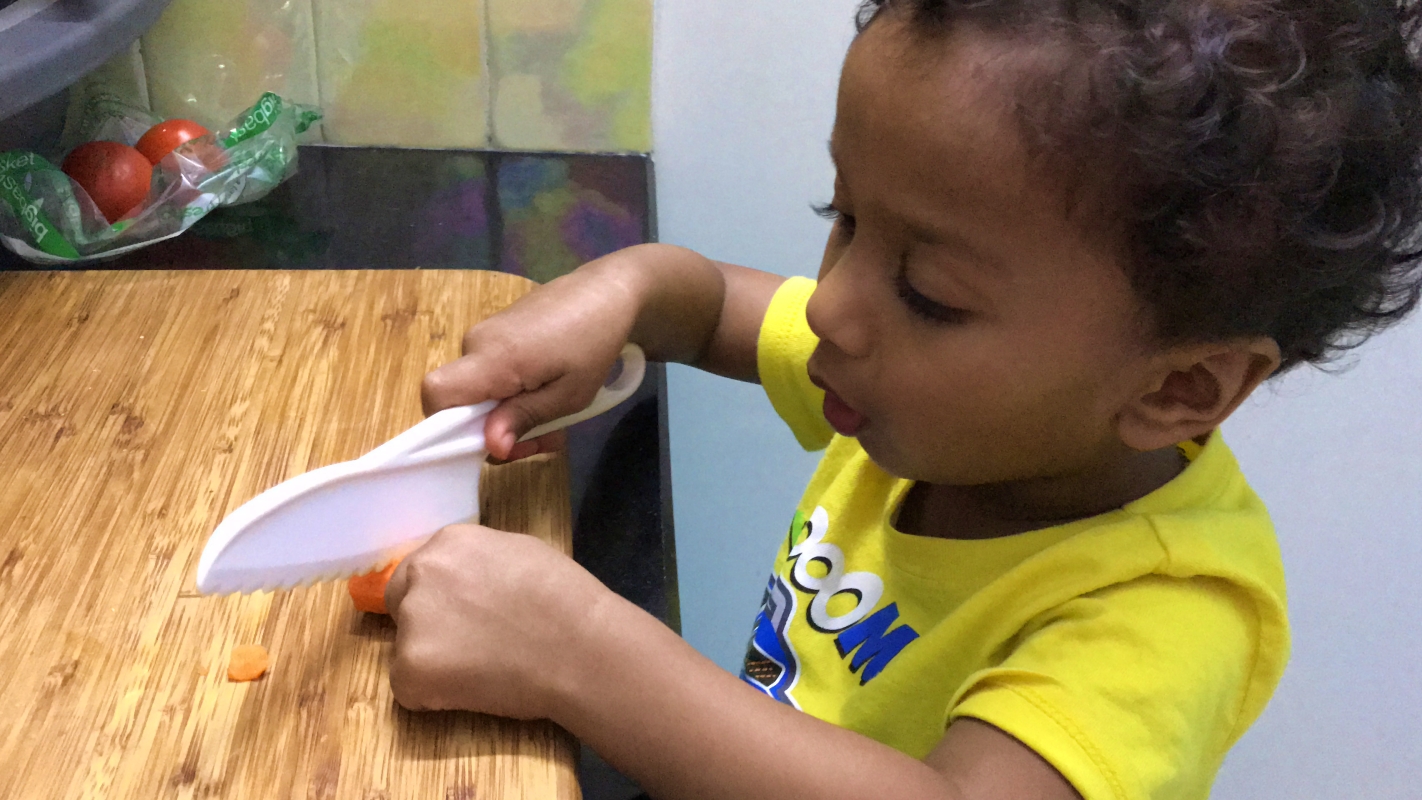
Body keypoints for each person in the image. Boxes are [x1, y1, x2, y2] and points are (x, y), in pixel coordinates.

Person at [384, 1, 1422, 798]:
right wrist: (622, 292)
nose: (832, 304)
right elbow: (701, 306)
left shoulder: (1170, 609)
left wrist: (578, 653)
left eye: (928, 290)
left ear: (1180, 386)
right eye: (842, 217)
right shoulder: (920, 395)